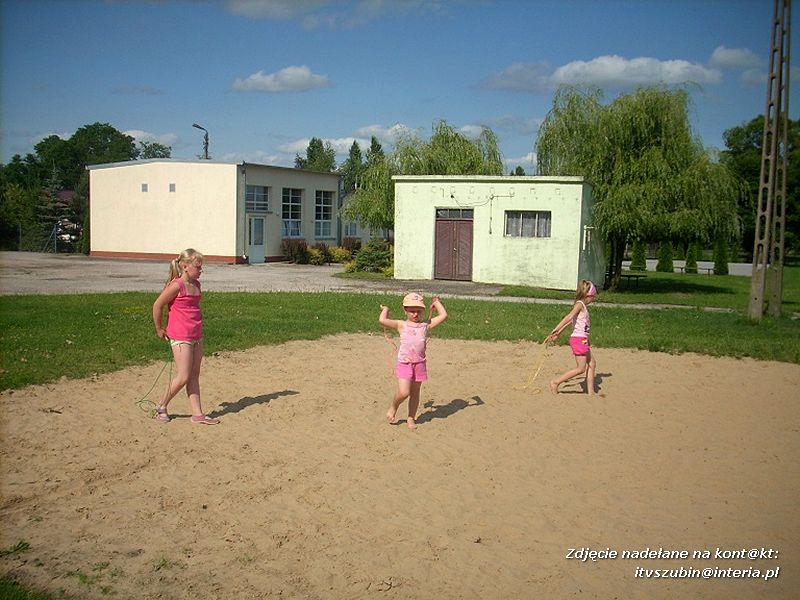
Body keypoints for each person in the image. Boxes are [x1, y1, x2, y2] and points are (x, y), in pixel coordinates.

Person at [151, 249, 219, 424]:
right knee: (183, 376)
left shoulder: (196, 284)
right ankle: (161, 405)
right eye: (198, 266)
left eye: (201, 266)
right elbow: (158, 305)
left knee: (194, 374)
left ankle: (197, 414)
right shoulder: (176, 285)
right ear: (185, 267)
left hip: (196, 334)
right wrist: (159, 328)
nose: (201, 270)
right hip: (180, 336)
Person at [379, 293, 447, 429]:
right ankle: (394, 406)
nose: (415, 314)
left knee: (415, 393)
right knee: (404, 392)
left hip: (420, 364)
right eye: (411, 311)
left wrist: (436, 303)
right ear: (405, 310)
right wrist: (385, 309)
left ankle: (411, 418)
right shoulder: (401, 324)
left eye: (418, 311)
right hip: (404, 363)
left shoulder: (425, 325)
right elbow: (383, 320)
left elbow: (443, 315)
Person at [545, 280, 598, 396]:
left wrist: (559, 333)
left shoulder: (582, 306)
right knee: (581, 368)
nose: (593, 299)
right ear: (588, 296)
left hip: (583, 340)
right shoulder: (579, 305)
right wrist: (557, 329)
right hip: (579, 340)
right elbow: (570, 317)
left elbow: (572, 322)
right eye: (593, 297)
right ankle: (555, 382)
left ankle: (591, 392)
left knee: (592, 363)